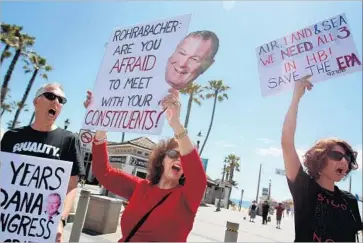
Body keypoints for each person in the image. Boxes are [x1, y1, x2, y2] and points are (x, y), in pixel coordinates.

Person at [84, 88, 207, 242]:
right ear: (162, 159)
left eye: (184, 158)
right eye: (173, 155)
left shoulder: (186, 197)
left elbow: (198, 178)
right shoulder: (140, 187)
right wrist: (101, 125)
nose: (179, 160)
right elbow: (103, 172)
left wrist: (175, 123)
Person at [0, 83, 86, 242]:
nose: (56, 102)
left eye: (61, 100)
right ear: (36, 101)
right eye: (51, 96)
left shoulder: (69, 140)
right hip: (7, 225)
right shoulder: (11, 137)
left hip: (43, 228)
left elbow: (72, 185)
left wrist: (60, 220)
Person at [281, 76, 363, 242]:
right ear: (319, 158)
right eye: (336, 156)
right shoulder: (304, 188)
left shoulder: (350, 201)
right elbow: (287, 142)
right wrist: (296, 97)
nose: (344, 161)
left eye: (347, 158)